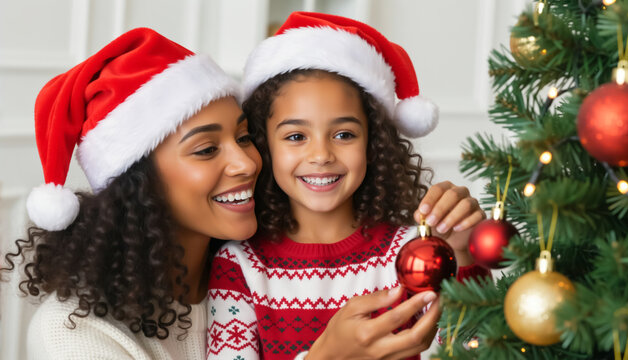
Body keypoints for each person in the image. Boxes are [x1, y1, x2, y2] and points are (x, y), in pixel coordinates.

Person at [206, 12, 490, 360]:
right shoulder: (240, 267)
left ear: (373, 144)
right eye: (296, 136)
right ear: (265, 146)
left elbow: (473, 348)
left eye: (344, 134)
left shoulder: (414, 253)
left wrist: (463, 259)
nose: (322, 155)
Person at [1, 28, 262, 360]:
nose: (246, 163)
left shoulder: (261, 281)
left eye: (244, 136)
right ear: (139, 184)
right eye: (207, 149)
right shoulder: (72, 332)